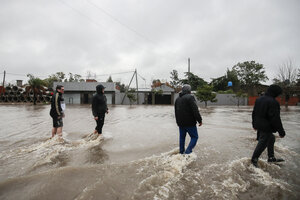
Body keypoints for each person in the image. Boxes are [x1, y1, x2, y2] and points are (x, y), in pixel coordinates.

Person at [251, 84, 286, 167]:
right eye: (278, 94)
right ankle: (254, 160)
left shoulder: (259, 99)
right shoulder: (273, 102)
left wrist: (254, 124)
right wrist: (281, 132)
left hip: (258, 124)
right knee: (263, 142)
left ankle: (271, 157)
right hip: (266, 126)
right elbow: (275, 118)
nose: (279, 96)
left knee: (271, 138)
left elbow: (254, 113)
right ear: (275, 93)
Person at [175, 84, 202, 154]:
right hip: (190, 123)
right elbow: (195, 110)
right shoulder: (190, 97)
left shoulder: (177, 99)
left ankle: (181, 152)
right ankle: (187, 152)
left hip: (180, 123)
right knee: (194, 137)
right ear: (189, 91)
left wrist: (178, 122)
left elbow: (176, 111)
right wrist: (200, 120)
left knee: (182, 138)